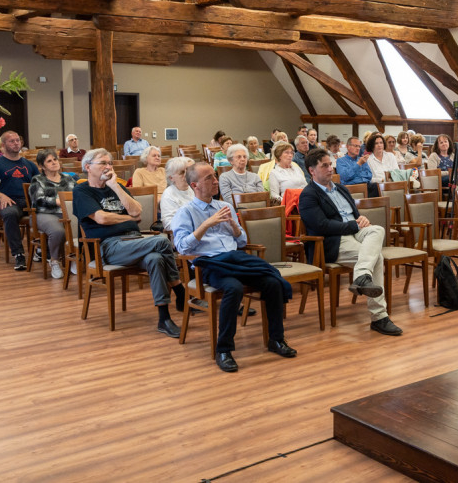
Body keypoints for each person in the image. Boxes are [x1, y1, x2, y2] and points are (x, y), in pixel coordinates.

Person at [171, 162, 297, 373]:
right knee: (233, 288)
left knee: (273, 282)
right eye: (209, 178)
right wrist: (206, 224)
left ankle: (276, 339)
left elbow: (242, 241)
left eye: (215, 176)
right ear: (194, 185)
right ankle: (224, 350)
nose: (215, 181)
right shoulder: (185, 212)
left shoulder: (225, 206)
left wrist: (232, 226)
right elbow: (182, 247)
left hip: (235, 260)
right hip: (211, 265)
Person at [73, 148, 186, 338]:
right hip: (108, 246)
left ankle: (164, 318)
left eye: (110, 163)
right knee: (161, 241)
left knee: (156, 259)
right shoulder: (82, 191)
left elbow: (137, 211)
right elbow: (101, 218)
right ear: (87, 167)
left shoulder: (117, 186)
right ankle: (180, 292)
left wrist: (115, 187)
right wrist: (128, 219)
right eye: (103, 163)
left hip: (134, 241)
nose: (108, 167)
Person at [299, 148, 402, 336]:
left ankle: (361, 276)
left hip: (355, 231)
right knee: (377, 258)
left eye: (330, 165)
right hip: (333, 240)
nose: (330, 169)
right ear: (312, 170)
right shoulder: (308, 195)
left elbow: (353, 215)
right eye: (324, 166)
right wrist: (352, 225)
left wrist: (361, 219)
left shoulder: (341, 189)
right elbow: (321, 225)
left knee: (377, 229)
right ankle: (379, 317)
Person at [0, 131, 39, 270]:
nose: (16, 143)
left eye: (17, 140)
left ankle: (42, 250)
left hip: (30, 201)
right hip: (10, 201)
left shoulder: (30, 164)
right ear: (3, 145)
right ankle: (19, 254)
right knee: (10, 214)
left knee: (49, 212)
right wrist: (1, 196)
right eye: (11, 141)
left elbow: (39, 184)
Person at [27, 149, 75, 278]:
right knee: (58, 231)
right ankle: (54, 261)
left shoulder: (68, 178)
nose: (54, 162)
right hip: (43, 214)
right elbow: (38, 200)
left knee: (84, 225)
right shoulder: (37, 180)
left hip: (66, 213)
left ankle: (74, 257)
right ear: (42, 166)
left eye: (55, 159)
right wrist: (58, 201)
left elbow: (77, 194)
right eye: (49, 161)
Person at [159, 156, 195, 230]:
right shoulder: (168, 194)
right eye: (182, 172)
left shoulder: (194, 188)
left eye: (188, 171)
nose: (187, 175)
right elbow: (168, 224)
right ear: (171, 178)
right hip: (184, 233)